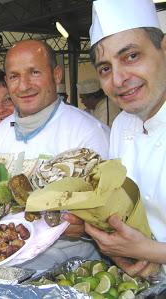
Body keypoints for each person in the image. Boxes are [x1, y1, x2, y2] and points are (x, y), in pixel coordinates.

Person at [0, 39, 110, 271]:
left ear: (56, 75)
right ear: (7, 82)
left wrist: (84, 226)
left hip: (71, 265)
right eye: (14, 76)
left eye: (34, 72)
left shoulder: (86, 132)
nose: (24, 86)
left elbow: (108, 215)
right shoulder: (0, 132)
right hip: (8, 257)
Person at [84, 0, 166, 277]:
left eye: (131, 56)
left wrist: (147, 250)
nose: (118, 79)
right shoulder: (121, 125)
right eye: (105, 68)